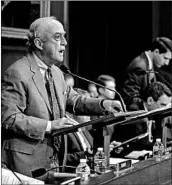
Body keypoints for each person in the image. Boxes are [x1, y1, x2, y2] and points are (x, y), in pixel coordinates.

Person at [1, 16, 123, 180]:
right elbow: (8, 118)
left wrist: (104, 104)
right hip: (24, 164)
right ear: (39, 43)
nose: (65, 42)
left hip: (54, 161)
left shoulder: (57, 73)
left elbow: (75, 101)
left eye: (64, 36)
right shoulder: (17, 73)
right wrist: (50, 125)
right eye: (58, 37)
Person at [111, 81, 172, 156]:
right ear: (150, 100)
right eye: (163, 105)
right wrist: (166, 145)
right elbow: (140, 143)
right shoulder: (135, 111)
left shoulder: (153, 110)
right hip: (123, 155)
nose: (165, 109)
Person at [122, 37, 172, 111]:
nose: (167, 63)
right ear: (156, 52)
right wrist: (149, 106)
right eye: (165, 58)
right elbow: (129, 97)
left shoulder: (149, 63)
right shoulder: (139, 66)